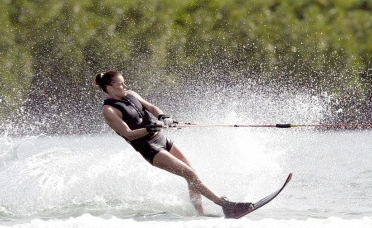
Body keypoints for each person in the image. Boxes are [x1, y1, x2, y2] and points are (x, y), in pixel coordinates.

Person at [95, 70, 253, 218]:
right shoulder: (109, 110)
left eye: (124, 83)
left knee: (191, 173)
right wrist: (149, 128)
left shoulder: (131, 94)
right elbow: (128, 133)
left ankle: (201, 215)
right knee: (189, 174)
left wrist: (162, 117)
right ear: (109, 87)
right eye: (121, 84)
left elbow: (151, 107)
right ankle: (225, 205)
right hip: (150, 148)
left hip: (162, 139)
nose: (125, 86)